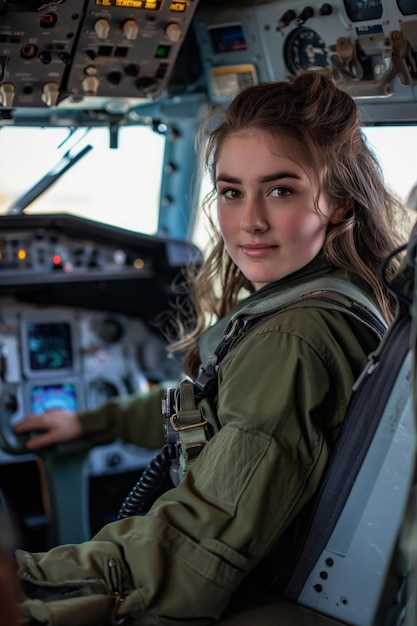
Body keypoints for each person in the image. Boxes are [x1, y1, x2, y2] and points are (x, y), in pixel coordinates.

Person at [12, 70, 408, 625]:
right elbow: (211, 412)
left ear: (339, 203)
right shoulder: (350, 297)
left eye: (281, 190)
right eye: (230, 191)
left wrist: (28, 579)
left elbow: (204, 534)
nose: (248, 221)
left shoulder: (293, 339)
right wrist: (91, 424)